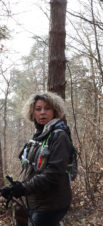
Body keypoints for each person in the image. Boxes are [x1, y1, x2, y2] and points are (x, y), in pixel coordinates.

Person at [1, 92, 73, 226]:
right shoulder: (38, 135)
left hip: (51, 203)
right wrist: (15, 187)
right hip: (36, 201)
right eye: (38, 109)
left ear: (55, 111)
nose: (42, 113)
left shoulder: (59, 136)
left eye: (47, 108)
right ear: (32, 112)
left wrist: (24, 188)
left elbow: (54, 173)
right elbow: (31, 169)